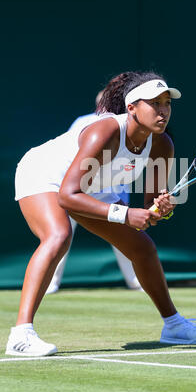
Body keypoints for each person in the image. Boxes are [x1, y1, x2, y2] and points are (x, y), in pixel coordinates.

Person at [6, 71, 196, 356]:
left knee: (142, 248)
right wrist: (126, 215)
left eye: (167, 103)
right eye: (154, 103)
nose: (163, 110)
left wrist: (161, 210)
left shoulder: (162, 144)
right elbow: (68, 196)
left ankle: (174, 326)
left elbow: (149, 208)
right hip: (47, 175)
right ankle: (21, 334)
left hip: (94, 185)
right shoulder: (104, 131)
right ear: (131, 107)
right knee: (58, 235)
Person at [46, 102, 141, 294]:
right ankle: (50, 283)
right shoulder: (85, 122)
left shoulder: (129, 127)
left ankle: (138, 281)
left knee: (125, 234)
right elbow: (74, 155)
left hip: (112, 188)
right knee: (60, 235)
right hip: (78, 190)